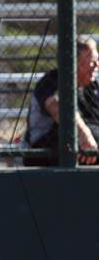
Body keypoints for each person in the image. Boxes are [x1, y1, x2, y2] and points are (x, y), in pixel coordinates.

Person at [23, 35, 99, 166]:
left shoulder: (91, 87)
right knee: (71, 138)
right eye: (92, 61)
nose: (97, 65)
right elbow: (58, 106)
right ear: (74, 62)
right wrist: (85, 136)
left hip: (84, 150)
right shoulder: (51, 80)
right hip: (43, 153)